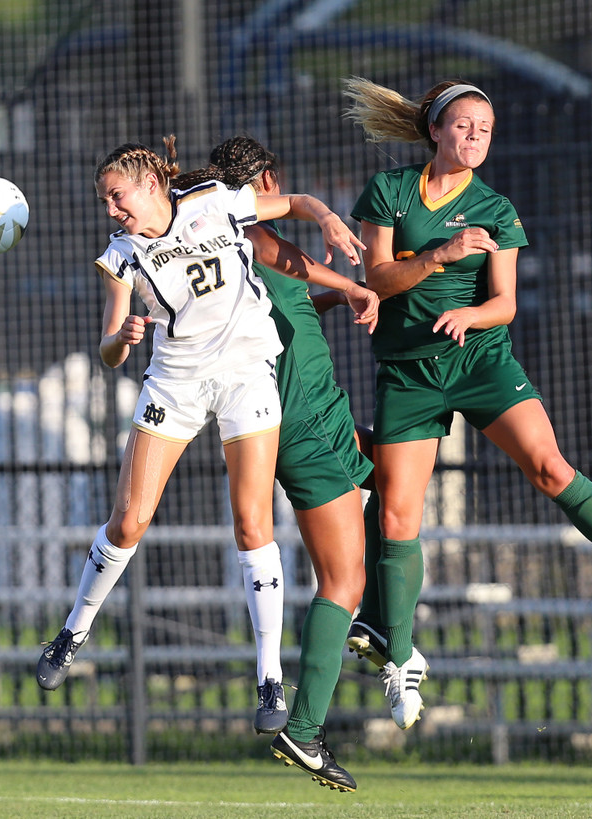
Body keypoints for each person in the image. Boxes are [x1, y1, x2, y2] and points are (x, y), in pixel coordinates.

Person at [341, 77, 592, 730]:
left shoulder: (496, 209)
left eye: (486, 129)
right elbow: (377, 279)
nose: (475, 137)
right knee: (397, 513)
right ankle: (398, 655)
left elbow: (503, 301)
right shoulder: (389, 191)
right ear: (436, 131)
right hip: (410, 372)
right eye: (464, 126)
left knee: (549, 466)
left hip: (480, 360)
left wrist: (473, 315)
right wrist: (442, 254)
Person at [36, 137, 375, 753]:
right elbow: (108, 350)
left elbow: (289, 202)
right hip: (177, 383)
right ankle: (72, 632)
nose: (111, 209)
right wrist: (125, 336)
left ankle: (270, 681)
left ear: (149, 184)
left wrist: (325, 215)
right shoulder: (122, 253)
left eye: (117, 196)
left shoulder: (214, 199)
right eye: (104, 200)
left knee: (253, 526)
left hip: (248, 375)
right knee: (130, 521)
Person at [178, 135, 377, 792]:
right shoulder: (249, 235)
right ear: (266, 180)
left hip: (297, 422)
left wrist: (338, 292)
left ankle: (377, 626)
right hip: (306, 423)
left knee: (385, 480)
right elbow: (279, 253)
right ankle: (309, 727)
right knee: (340, 580)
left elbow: (284, 293)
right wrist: (348, 278)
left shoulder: (221, 250)